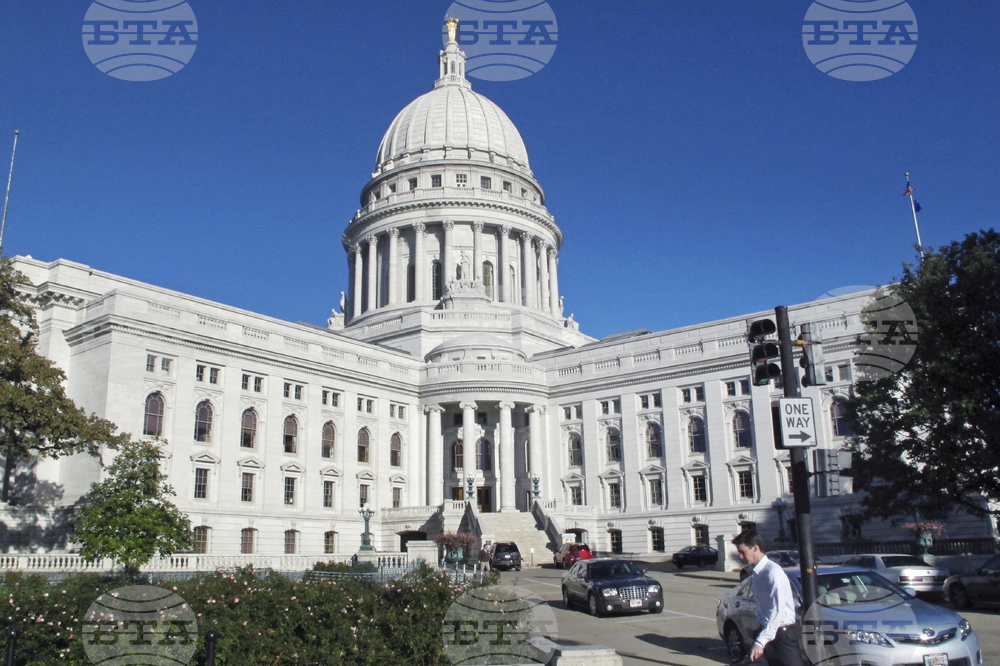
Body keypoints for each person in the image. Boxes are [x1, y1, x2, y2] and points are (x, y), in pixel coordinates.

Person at [731, 530, 806, 666]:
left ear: (755, 548)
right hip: (765, 633)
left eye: (743, 552)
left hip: (782, 638)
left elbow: (777, 611)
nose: (741, 557)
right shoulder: (757, 573)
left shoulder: (773, 573)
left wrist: (761, 642)